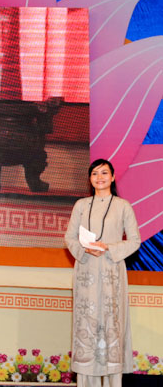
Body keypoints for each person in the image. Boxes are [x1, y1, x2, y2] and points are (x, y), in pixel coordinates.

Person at [64, 159, 141, 387]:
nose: (100, 177)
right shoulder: (81, 205)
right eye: (95, 173)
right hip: (86, 268)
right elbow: (69, 237)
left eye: (104, 173)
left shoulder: (123, 206)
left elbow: (135, 240)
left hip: (111, 270)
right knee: (85, 322)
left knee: (111, 322)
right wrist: (84, 250)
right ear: (90, 179)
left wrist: (109, 248)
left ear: (113, 177)